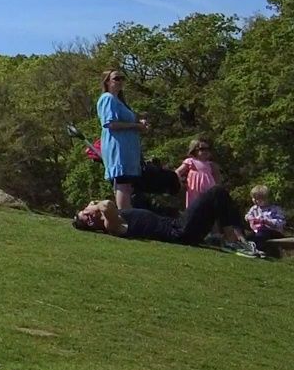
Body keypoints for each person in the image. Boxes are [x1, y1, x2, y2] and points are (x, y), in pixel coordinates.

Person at [73, 185, 262, 255]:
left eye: (86, 212)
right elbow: (107, 204)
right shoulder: (111, 226)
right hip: (180, 232)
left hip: (179, 225)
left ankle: (239, 239)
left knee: (219, 197)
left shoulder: (116, 216)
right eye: (88, 218)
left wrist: (91, 207)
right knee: (216, 193)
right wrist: (93, 205)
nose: (91, 215)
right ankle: (233, 241)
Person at [97, 68, 148, 212]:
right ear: (107, 82)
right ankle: (125, 217)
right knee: (122, 182)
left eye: (122, 78)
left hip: (128, 148)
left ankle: (127, 214)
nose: (120, 81)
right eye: (116, 78)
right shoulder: (107, 98)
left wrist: (140, 122)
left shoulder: (119, 101)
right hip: (117, 147)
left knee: (127, 184)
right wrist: (136, 126)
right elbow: (110, 124)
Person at [174, 139, 219, 210]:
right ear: (195, 150)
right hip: (195, 190)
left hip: (209, 189)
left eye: (207, 149)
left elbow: (216, 180)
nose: (205, 151)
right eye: (202, 149)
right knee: (195, 207)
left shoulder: (210, 164)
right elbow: (178, 172)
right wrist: (180, 182)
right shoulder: (191, 161)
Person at [245, 185, 286, 256]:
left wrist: (267, 221)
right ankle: (249, 248)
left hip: (273, 231)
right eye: (253, 198)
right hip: (258, 231)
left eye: (258, 199)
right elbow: (247, 215)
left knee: (262, 234)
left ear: (267, 199)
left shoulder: (275, 209)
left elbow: (281, 222)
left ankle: (259, 250)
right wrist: (249, 218)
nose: (255, 201)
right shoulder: (254, 208)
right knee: (250, 236)